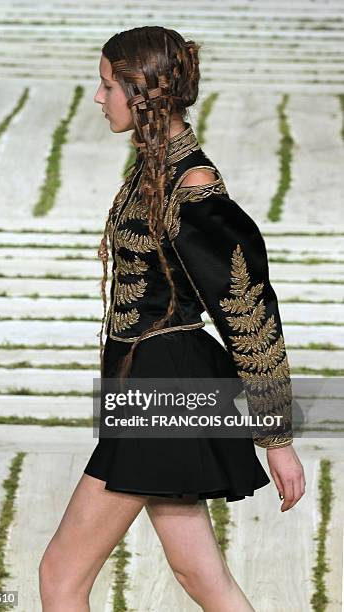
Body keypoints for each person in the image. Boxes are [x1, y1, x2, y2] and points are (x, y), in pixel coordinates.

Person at [39, 26, 305, 612]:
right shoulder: (154, 167)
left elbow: (247, 304)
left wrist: (276, 437)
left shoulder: (193, 184)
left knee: (61, 575)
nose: (97, 97)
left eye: (107, 85)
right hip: (152, 387)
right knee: (200, 576)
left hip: (164, 391)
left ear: (141, 94)